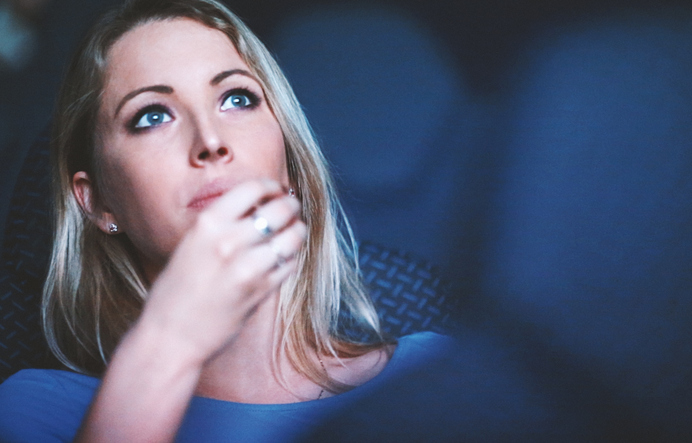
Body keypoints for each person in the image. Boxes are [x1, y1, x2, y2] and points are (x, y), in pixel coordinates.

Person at [0, 0, 449, 441]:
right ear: (98, 203)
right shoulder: (38, 411)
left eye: (237, 98)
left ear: (288, 165)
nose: (211, 140)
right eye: (152, 116)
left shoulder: (434, 376)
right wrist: (168, 343)